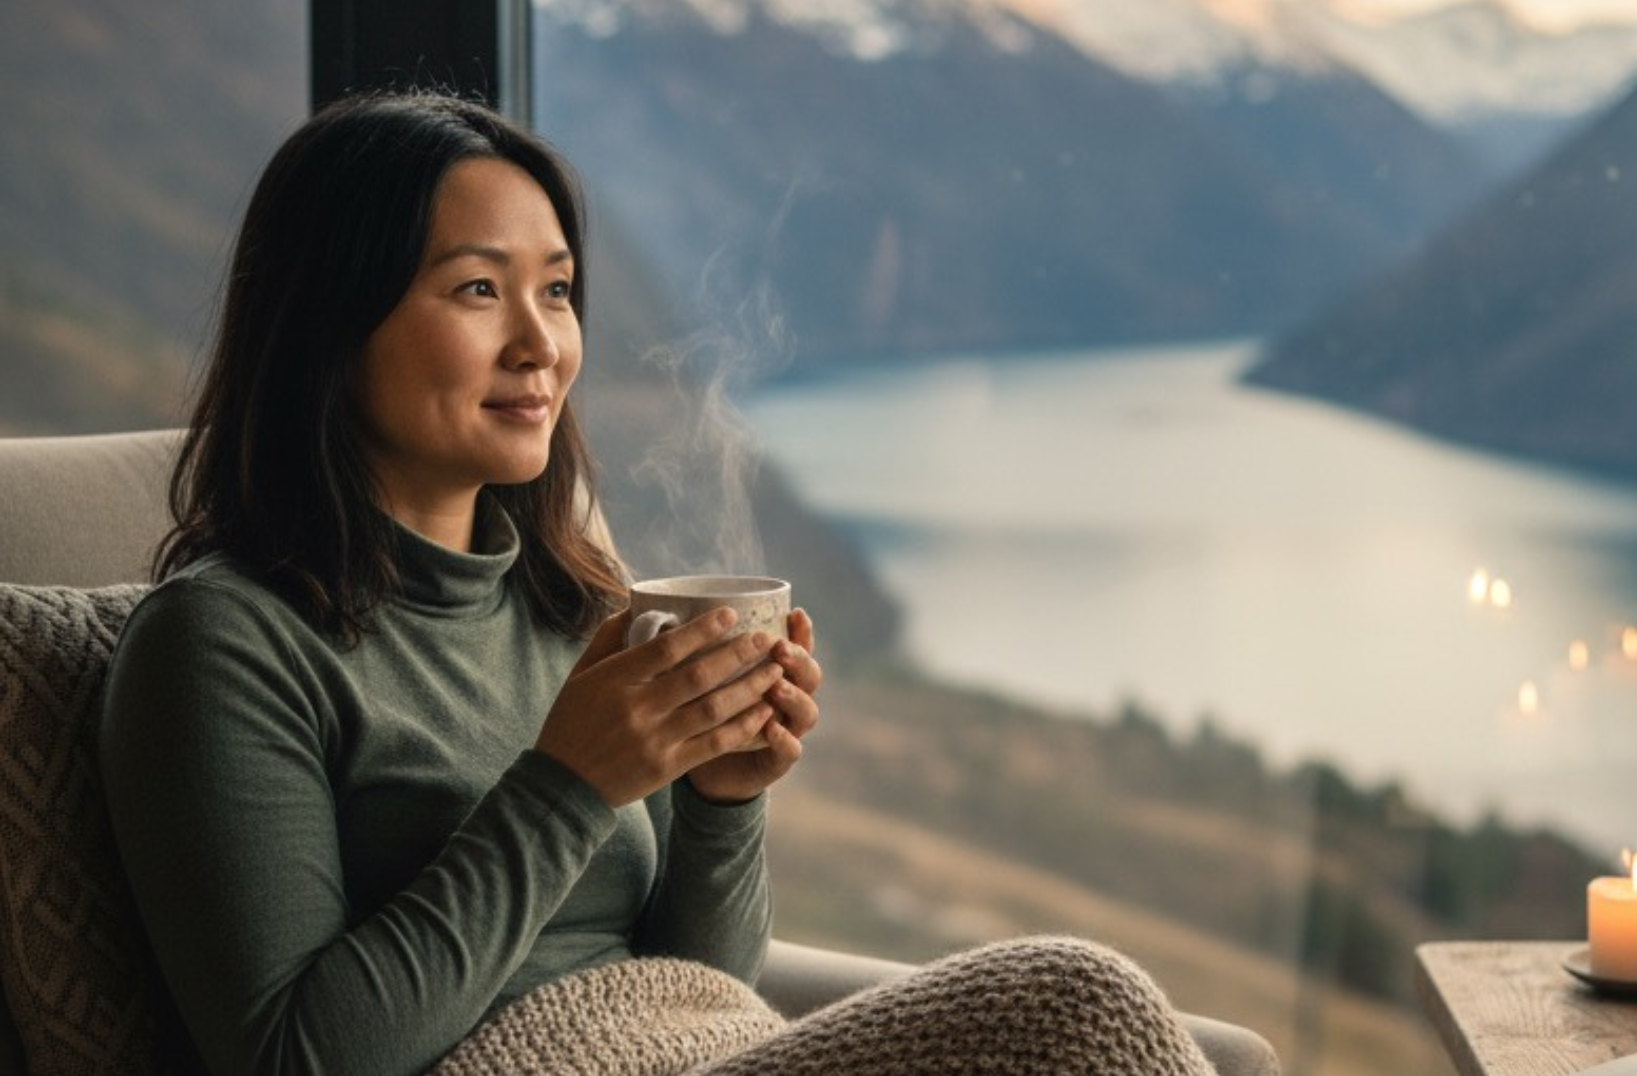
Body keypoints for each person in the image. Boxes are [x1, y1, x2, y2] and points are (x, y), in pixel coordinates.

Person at [99, 90, 1219, 1076]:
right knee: (1076, 1004)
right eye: (480, 290)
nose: (543, 345)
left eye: (559, 290)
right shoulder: (225, 642)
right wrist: (569, 787)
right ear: (330, 323)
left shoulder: (571, 604)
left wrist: (722, 805)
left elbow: (694, 993)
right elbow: (295, 1056)